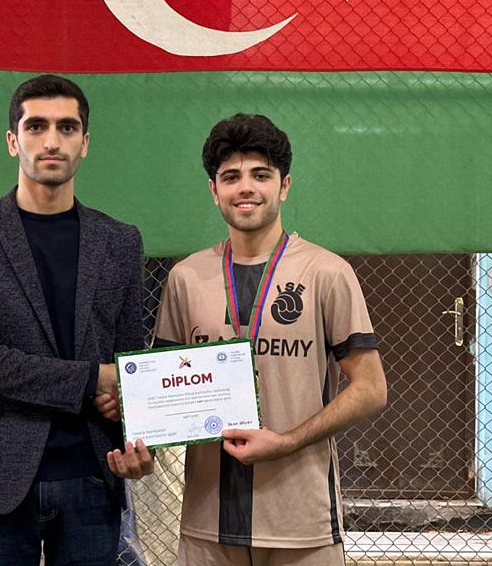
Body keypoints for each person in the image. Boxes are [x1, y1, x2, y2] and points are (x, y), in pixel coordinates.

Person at [0, 74, 152, 566]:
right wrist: (95, 379)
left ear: (85, 143)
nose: (51, 141)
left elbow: (129, 360)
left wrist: (136, 424)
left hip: (92, 474)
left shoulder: (120, 241)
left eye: (66, 127)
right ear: (13, 141)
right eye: (36, 126)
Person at [151, 114, 387, 565]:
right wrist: (141, 448)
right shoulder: (185, 278)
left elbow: (371, 389)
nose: (246, 188)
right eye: (231, 177)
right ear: (213, 190)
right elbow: (161, 399)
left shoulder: (327, 272)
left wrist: (287, 441)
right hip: (206, 524)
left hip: (302, 525)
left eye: (261, 175)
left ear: (284, 186)